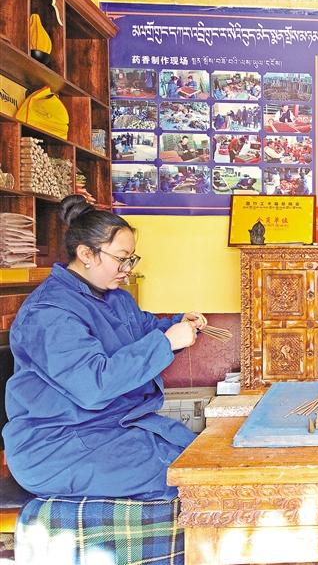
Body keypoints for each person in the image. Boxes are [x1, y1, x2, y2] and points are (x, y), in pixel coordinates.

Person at [3, 194, 207, 500]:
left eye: (131, 259)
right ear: (86, 253)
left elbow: (144, 329)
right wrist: (166, 342)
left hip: (112, 428)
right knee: (190, 479)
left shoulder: (115, 297)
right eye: (121, 258)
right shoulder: (48, 313)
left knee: (202, 458)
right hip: (60, 446)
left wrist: (179, 323)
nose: (128, 268)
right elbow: (95, 384)